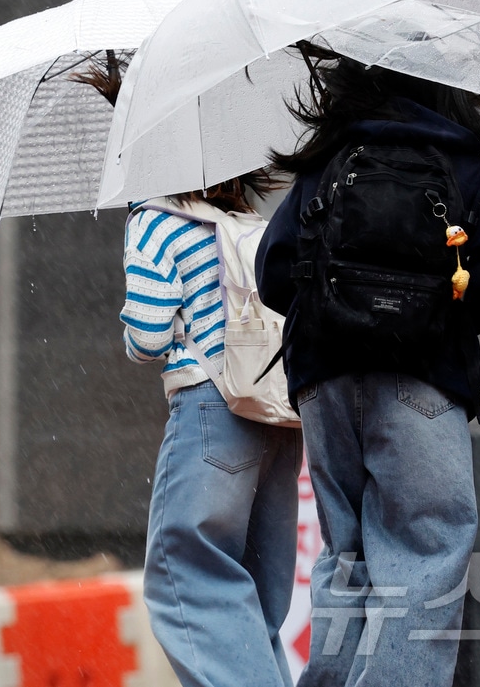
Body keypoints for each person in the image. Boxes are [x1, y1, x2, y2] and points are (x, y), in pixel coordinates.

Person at [255, 45, 480, 687]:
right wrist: (443, 313)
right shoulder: (462, 163)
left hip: (325, 380)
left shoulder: (329, 158)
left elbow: (274, 271)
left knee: (346, 557)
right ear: (443, 86)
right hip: (421, 377)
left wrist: (340, 311)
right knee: (424, 553)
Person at [121, 173, 301, 687]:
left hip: (211, 411)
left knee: (185, 578)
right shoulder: (252, 221)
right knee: (255, 607)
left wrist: (131, 330)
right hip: (277, 417)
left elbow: (148, 337)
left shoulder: (154, 220)